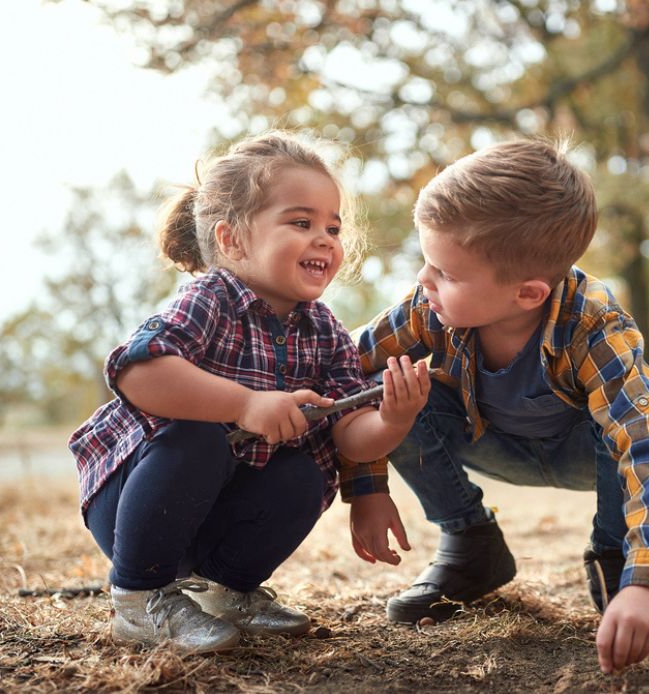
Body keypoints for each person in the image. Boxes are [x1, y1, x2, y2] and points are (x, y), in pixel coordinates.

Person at [342, 139, 649, 674]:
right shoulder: (428, 309)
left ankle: (616, 564)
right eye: (427, 262)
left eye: (446, 273)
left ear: (528, 294)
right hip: (491, 441)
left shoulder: (592, 326)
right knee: (390, 380)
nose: (424, 280)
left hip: (585, 455)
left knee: (635, 414)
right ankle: (472, 543)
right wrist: (367, 487)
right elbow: (346, 372)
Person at [67, 131, 431, 654]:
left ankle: (227, 589)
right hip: (137, 501)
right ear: (234, 240)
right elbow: (136, 373)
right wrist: (245, 404)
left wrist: (393, 419)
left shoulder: (324, 331)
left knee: (304, 473)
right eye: (301, 223)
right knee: (198, 439)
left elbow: (351, 439)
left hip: (218, 508)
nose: (325, 239)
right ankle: (139, 598)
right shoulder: (211, 299)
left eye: (333, 226)